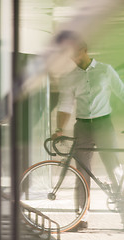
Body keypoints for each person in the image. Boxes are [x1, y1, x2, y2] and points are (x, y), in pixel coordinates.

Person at [53, 31, 124, 231]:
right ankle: (81, 218)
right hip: (82, 126)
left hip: (104, 124)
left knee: (114, 170)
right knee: (81, 173)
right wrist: (59, 129)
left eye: (75, 54)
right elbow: (65, 105)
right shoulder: (70, 78)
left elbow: (122, 93)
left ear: (84, 50)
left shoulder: (105, 70)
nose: (72, 59)